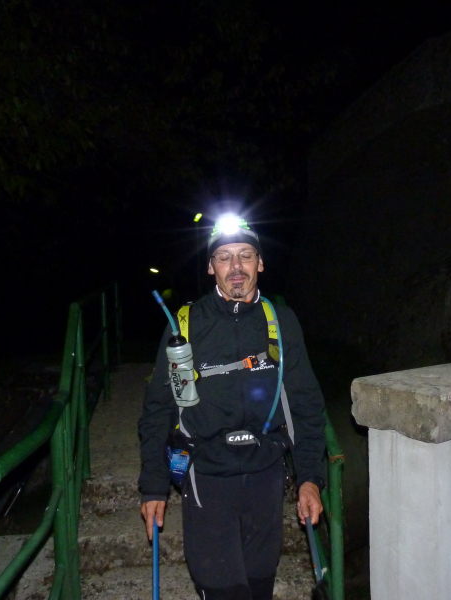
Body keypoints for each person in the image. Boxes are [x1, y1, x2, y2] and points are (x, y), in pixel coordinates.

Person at [138, 214, 326, 599]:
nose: (236, 267)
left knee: (259, 587)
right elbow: (158, 409)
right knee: (224, 590)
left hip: (266, 476)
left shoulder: (281, 322)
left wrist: (310, 477)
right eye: (224, 257)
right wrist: (154, 484)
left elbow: (306, 404)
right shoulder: (184, 325)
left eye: (245, 255)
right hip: (207, 476)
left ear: (261, 263)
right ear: (211, 267)